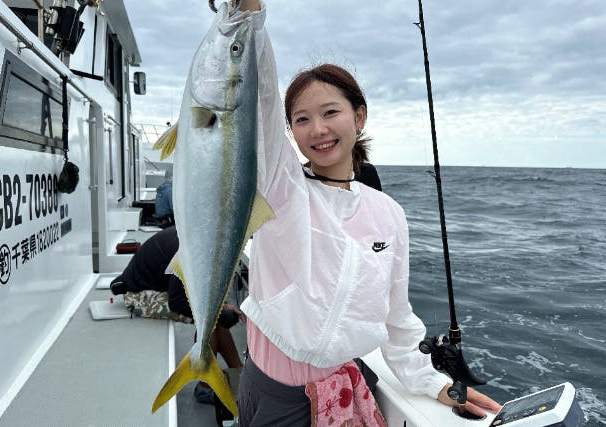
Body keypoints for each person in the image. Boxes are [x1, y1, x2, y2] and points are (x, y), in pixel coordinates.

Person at [229, 2, 502, 426]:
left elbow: (396, 317)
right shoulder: (282, 189)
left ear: (359, 117)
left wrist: (435, 384)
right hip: (274, 395)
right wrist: (249, 17)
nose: (317, 129)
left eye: (330, 112)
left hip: (343, 387)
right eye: (301, 119)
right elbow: (259, 98)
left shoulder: (388, 213)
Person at [109, 226, 243, 404]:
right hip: (140, 296)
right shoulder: (190, 251)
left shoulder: (197, 235)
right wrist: (219, 310)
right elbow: (178, 302)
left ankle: (239, 375)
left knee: (215, 315)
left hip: (160, 289)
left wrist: (221, 306)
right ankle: (205, 386)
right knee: (210, 319)